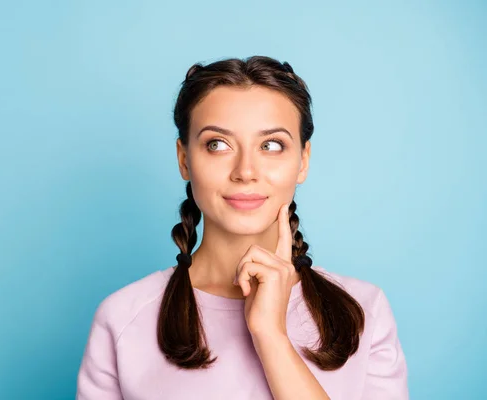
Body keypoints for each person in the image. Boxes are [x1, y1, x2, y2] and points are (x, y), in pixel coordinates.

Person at [75, 55, 408, 400]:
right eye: (217, 144)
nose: (245, 171)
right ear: (184, 159)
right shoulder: (122, 319)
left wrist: (271, 336)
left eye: (271, 145)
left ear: (303, 161)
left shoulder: (364, 311)